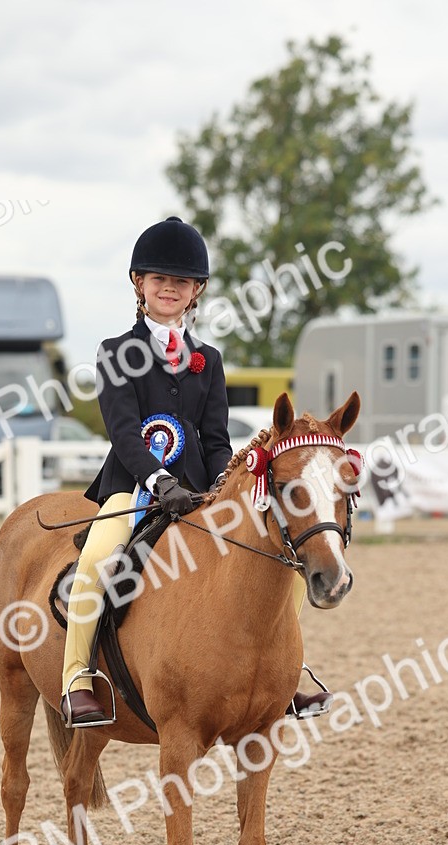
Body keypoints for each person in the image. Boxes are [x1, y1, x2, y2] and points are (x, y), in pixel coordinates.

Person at [60, 215, 331, 726]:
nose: (170, 288)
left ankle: (290, 673)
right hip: (135, 490)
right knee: (98, 556)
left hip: (200, 494)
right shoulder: (116, 352)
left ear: (196, 292)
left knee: (287, 558)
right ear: (139, 284)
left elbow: (214, 438)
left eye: (180, 282)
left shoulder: (209, 358)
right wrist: (158, 481)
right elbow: (122, 432)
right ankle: (78, 677)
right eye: (159, 279)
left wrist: (222, 490)